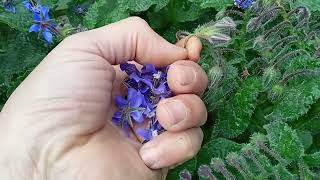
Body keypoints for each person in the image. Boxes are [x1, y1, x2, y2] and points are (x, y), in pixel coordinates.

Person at [0, 17, 208, 180]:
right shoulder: (127, 110)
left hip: (141, 104)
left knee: (177, 98)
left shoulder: (133, 104)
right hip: (137, 107)